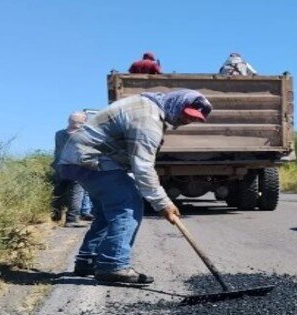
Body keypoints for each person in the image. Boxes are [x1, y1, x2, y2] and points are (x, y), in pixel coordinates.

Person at [56, 89, 212, 284]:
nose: (186, 121)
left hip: (79, 159)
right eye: (186, 115)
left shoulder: (150, 106)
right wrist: (163, 203)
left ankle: (88, 260)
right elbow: (143, 167)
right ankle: (113, 266)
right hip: (92, 159)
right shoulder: (148, 118)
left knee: (106, 213)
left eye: (193, 119)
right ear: (177, 104)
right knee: (128, 205)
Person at [51, 112, 88, 228]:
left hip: (60, 167)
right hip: (75, 167)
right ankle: (72, 219)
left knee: (58, 192)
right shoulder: (82, 135)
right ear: (83, 122)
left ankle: (55, 217)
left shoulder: (59, 134)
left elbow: (57, 151)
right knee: (76, 193)